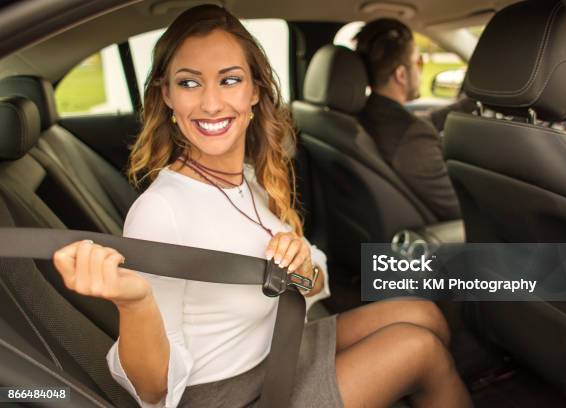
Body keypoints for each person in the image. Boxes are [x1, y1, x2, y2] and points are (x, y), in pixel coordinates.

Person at [51, 5, 471, 408]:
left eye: (230, 80)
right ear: (167, 96)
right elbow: (153, 391)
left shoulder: (250, 177)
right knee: (421, 350)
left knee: (423, 313)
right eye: (190, 82)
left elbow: (310, 282)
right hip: (228, 395)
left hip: (279, 345)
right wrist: (135, 303)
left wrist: (304, 270)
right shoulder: (161, 211)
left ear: (254, 91)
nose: (211, 103)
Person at [355, 18, 462, 222]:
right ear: (401, 75)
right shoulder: (412, 137)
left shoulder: (365, 114)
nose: (421, 69)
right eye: (418, 62)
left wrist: (466, 105)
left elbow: (423, 121)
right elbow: (457, 211)